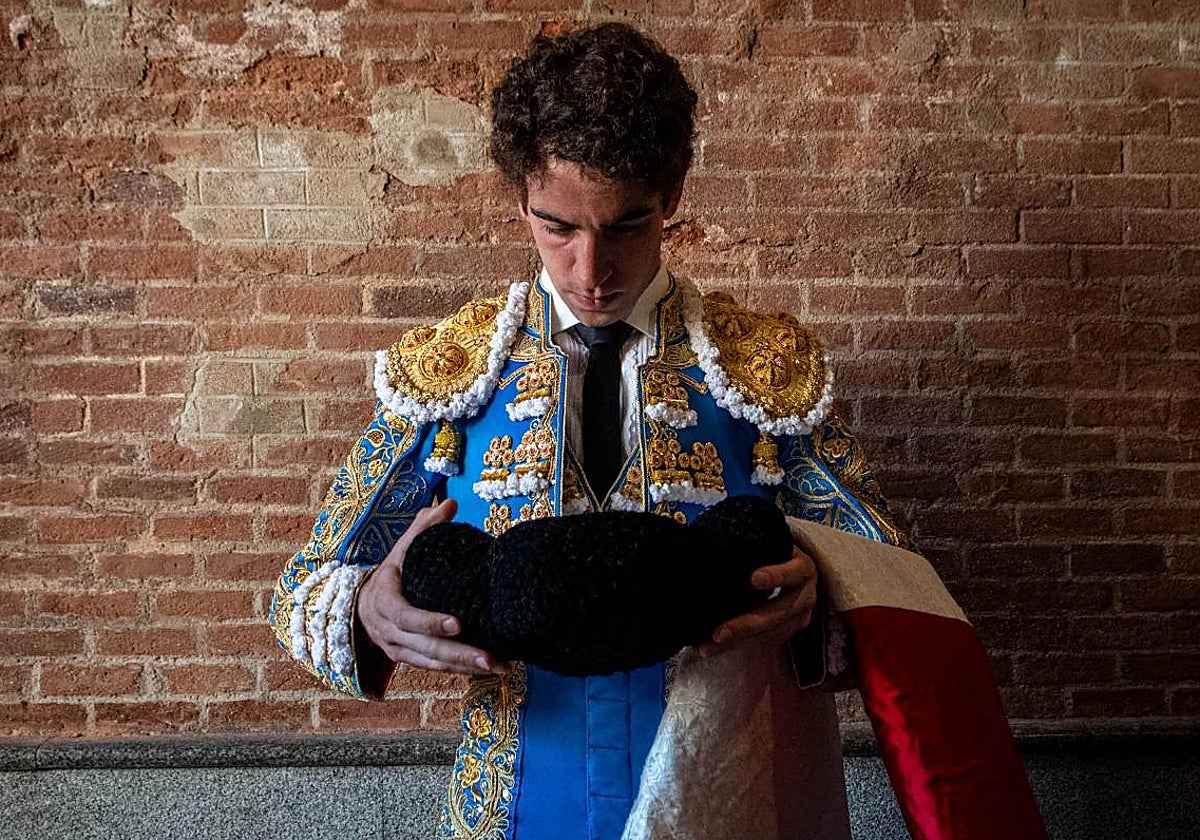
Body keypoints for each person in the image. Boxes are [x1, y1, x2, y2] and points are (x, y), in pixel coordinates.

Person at [269, 22, 911, 839]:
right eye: (558, 226)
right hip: (520, 799)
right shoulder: (450, 374)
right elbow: (305, 587)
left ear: (671, 197)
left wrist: (819, 599)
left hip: (730, 799)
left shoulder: (762, 371)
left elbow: (896, 589)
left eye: (627, 225)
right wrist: (367, 606)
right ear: (519, 201)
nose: (590, 271)